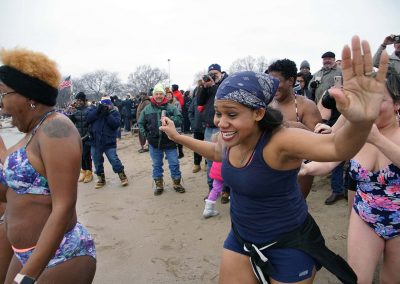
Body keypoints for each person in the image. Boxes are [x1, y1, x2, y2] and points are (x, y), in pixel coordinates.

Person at [160, 36, 388, 283]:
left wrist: (362, 120)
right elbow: (216, 152)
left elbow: (336, 147)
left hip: (288, 244)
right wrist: (177, 136)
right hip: (241, 239)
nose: (221, 122)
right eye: (219, 113)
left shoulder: (281, 140)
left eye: (232, 114)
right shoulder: (230, 138)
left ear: (258, 112)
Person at [0, 47, 96, 283]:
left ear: (28, 96)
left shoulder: (56, 129)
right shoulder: (29, 135)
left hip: (62, 255)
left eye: (2, 95)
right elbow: (12, 192)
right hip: (24, 253)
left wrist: (27, 276)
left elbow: (64, 204)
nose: (1, 105)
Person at [299, 71, 400, 283]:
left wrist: (377, 139)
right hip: (365, 214)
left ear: (397, 104)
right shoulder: (355, 129)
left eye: (378, 101)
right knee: (356, 279)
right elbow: (331, 159)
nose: (369, 108)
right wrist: (306, 169)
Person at [267, 59, 322, 199]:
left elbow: (319, 143)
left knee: (294, 208)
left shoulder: (306, 106)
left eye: (276, 81)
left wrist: (295, 126)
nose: (272, 86)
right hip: (269, 168)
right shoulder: (267, 105)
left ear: (290, 81)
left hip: (298, 170)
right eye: (269, 82)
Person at [138, 83, 185, 195]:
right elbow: (140, 123)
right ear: (153, 95)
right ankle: (159, 186)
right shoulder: (147, 109)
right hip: (154, 142)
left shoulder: (170, 107)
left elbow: (180, 119)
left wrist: (169, 119)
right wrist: (146, 135)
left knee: (174, 163)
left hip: (170, 140)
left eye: (161, 94)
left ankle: (177, 183)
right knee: (157, 165)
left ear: (164, 95)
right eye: (156, 94)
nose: (159, 96)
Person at [197, 63, 230, 203]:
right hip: (209, 126)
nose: (212, 76)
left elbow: (224, 98)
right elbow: (199, 101)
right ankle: (212, 189)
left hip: (225, 127)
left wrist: (214, 85)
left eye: (215, 74)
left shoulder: (227, 83)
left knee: (227, 159)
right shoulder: (206, 86)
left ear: (220, 73)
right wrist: (204, 88)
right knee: (210, 159)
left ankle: (226, 191)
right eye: (210, 74)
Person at [86, 95, 129, 189]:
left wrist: (107, 114)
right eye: (104, 104)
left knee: (114, 159)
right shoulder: (94, 111)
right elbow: (88, 119)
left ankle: (122, 176)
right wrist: (98, 111)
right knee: (97, 161)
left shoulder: (114, 112)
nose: (106, 106)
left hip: (109, 142)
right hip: (95, 141)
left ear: (111, 104)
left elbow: (115, 125)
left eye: (108, 104)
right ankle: (101, 179)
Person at [68, 91, 93, 183]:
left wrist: (88, 135)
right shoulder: (76, 110)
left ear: (84, 100)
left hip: (88, 136)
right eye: (77, 100)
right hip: (78, 137)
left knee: (86, 155)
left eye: (80, 100)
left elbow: (91, 124)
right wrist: (70, 112)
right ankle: (84, 172)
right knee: (80, 156)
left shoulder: (89, 110)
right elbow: (70, 121)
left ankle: (89, 173)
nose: (78, 102)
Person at [188, 80, 206, 173]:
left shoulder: (210, 99)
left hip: (208, 127)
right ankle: (197, 164)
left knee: (208, 146)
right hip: (197, 127)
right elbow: (190, 112)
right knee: (197, 147)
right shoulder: (195, 100)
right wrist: (193, 123)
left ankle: (207, 164)